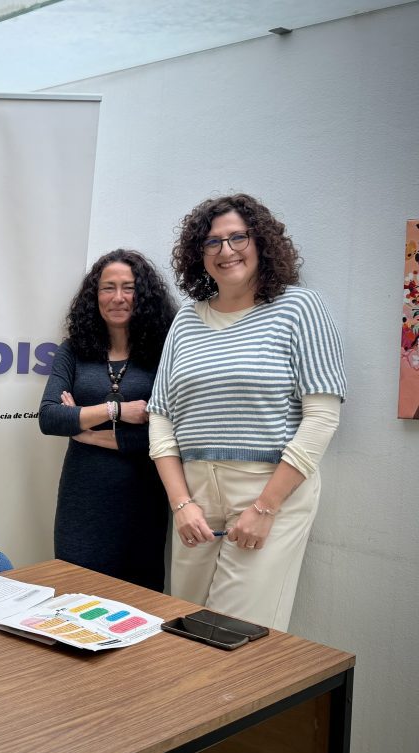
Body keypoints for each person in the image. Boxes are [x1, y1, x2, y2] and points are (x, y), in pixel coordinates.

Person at [148, 193, 346, 631]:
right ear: (198, 254)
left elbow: (322, 418)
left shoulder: (299, 308)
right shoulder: (186, 320)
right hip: (194, 492)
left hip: (268, 488)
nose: (226, 250)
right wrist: (181, 503)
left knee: (233, 631)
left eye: (238, 237)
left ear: (262, 242)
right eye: (212, 242)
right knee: (179, 620)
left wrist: (266, 507)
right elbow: (161, 416)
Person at [39, 249, 177, 591]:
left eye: (128, 288)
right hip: (82, 502)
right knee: (73, 601)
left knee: (137, 609)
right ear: (94, 295)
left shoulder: (163, 353)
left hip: (142, 501)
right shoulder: (73, 351)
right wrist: (119, 411)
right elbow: (50, 417)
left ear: (143, 295)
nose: (117, 297)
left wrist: (84, 428)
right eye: (107, 288)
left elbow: (168, 434)